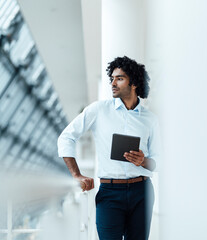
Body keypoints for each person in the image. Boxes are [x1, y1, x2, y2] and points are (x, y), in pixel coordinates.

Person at [57, 56, 161, 240]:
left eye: (119, 78)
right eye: (111, 78)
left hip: (142, 193)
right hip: (110, 193)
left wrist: (143, 161)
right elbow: (66, 137)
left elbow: (159, 161)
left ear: (134, 83)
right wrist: (77, 175)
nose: (113, 83)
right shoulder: (98, 110)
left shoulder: (150, 120)